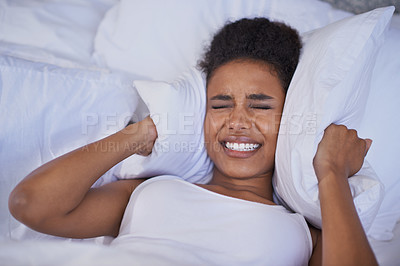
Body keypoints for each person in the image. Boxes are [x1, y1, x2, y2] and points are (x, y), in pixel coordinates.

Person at [8, 18, 377, 265]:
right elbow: (32, 205)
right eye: (220, 104)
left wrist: (331, 172)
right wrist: (141, 132)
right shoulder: (152, 191)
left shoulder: (305, 236)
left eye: (260, 105)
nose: (237, 122)